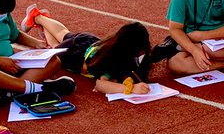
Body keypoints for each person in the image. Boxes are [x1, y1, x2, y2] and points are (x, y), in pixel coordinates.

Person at [19, 12, 154, 95]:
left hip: (88, 42)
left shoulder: (125, 49)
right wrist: (132, 89)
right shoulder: (111, 59)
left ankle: (38, 17)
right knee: (53, 48)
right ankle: (38, 18)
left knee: (63, 34)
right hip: (74, 55)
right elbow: (101, 85)